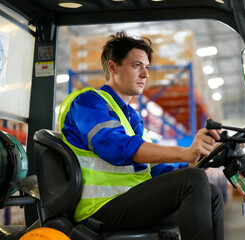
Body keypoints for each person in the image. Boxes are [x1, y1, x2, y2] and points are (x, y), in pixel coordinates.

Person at [57, 31, 224, 240]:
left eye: (147, 68)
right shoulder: (88, 102)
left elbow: (157, 171)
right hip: (100, 208)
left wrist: (203, 157)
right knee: (193, 181)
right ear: (112, 67)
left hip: (130, 202)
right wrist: (185, 153)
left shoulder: (131, 119)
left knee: (212, 193)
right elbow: (115, 146)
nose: (145, 74)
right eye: (137, 66)